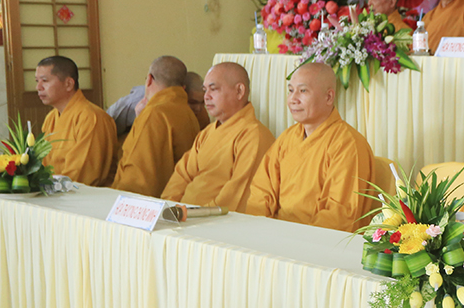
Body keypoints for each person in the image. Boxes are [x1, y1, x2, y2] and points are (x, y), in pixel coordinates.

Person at [246, 62, 375, 230]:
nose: (293, 99)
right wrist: (258, 229)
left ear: (328, 97)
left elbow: (339, 215)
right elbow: (260, 193)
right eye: (291, 90)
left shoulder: (347, 144)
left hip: (318, 239)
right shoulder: (287, 138)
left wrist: (295, 239)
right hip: (276, 235)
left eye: (303, 91)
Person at [162, 62, 275, 212]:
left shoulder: (254, 135)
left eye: (213, 89)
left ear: (239, 91)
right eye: (205, 90)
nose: (206, 97)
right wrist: (168, 207)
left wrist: (196, 215)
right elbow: (182, 175)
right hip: (185, 216)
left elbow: (236, 195)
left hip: (212, 220)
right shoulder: (207, 133)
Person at [112, 56, 201, 197]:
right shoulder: (188, 113)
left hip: (149, 201)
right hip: (176, 196)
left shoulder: (154, 113)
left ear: (149, 79)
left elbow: (137, 176)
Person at [36, 55, 116, 186]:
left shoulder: (91, 117)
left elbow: (83, 174)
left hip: (85, 194)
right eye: (37, 81)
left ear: (68, 84)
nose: (38, 87)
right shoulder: (50, 119)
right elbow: (43, 164)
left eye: (44, 80)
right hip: (55, 190)